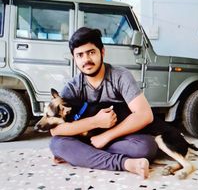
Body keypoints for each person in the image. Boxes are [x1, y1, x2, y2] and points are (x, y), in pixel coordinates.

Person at [50, 27, 158, 179]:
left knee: (146, 147)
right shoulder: (72, 87)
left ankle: (82, 155)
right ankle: (126, 164)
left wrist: (106, 136)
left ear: (102, 51)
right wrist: (95, 122)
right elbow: (55, 130)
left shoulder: (120, 76)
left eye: (91, 52)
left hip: (118, 138)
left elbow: (145, 115)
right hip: (91, 138)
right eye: (80, 55)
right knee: (57, 144)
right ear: (74, 58)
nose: (86, 59)